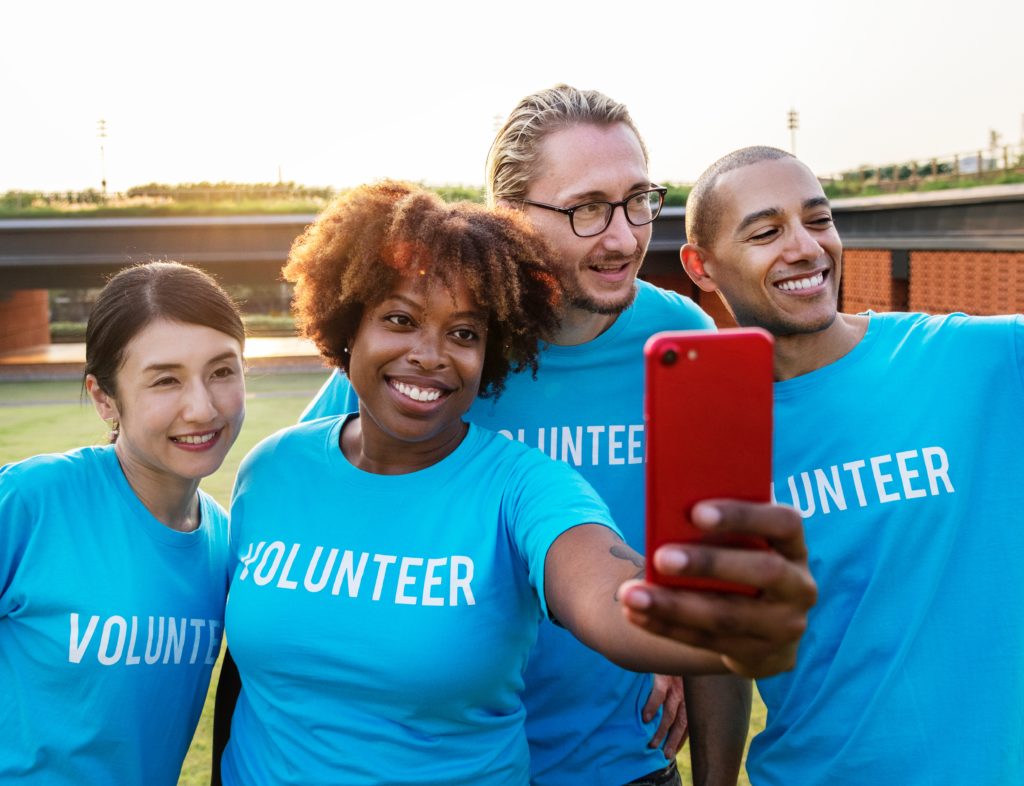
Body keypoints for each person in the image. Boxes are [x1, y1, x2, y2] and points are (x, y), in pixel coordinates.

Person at [216, 181, 815, 786]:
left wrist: (714, 616)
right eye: (400, 319)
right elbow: (243, 680)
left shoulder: (527, 486)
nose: (430, 354)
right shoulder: (270, 471)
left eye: (465, 333)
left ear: (493, 353)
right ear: (348, 326)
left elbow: (605, 594)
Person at [302, 84, 754, 786]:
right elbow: (308, 519)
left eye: (639, 200)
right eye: (588, 209)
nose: (625, 236)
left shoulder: (683, 343)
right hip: (439, 762)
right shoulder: (433, 346)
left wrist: (670, 641)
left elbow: (712, 577)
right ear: (506, 216)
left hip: (622, 765)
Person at [680, 145, 1024, 784]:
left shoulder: (976, 360)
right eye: (765, 231)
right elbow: (720, 650)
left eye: (818, 220)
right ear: (701, 266)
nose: (806, 248)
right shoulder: (710, 437)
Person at [0, 261, 246, 785]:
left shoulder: (227, 543)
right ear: (103, 398)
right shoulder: (30, 500)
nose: (202, 408)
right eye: (165, 381)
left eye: (222, 371)